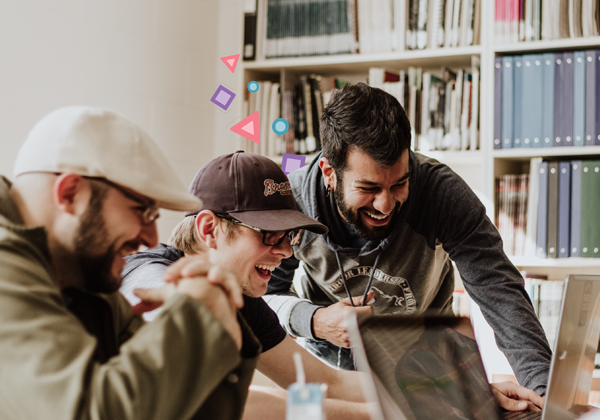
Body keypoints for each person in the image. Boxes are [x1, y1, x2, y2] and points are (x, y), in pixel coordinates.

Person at [122, 150, 544, 418]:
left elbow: (325, 382)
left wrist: (466, 395)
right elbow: (233, 404)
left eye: (289, 237)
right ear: (210, 228)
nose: (287, 253)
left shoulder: (242, 299)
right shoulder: (150, 276)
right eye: (269, 235)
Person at [263, 83, 553, 397]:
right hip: (330, 376)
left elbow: (500, 293)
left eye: (399, 184)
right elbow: (263, 296)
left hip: (428, 372)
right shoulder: (293, 204)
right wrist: (315, 320)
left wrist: (544, 395)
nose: (385, 205)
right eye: (369, 188)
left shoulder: (442, 194)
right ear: (329, 173)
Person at [0, 106, 258, 419]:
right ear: (70, 194)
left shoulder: (88, 276)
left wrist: (218, 314)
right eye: (143, 211)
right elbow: (92, 412)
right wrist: (196, 314)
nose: (151, 239)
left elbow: (182, 409)